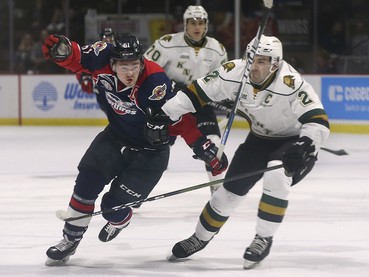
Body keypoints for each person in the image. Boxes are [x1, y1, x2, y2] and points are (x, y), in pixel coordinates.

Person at [41, 33, 228, 266]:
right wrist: (64, 51)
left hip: (151, 154)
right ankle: (69, 241)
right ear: (113, 63)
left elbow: (178, 118)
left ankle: (120, 220)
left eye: (134, 65)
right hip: (116, 137)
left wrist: (202, 144)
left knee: (111, 209)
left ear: (141, 62)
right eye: (123, 66)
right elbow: (76, 57)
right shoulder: (101, 56)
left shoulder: (154, 81)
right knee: (85, 184)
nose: (130, 72)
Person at [158, 35, 330, 269]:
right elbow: (196, 92)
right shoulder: (234, 72)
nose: (253, 67)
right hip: (258, 140)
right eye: (251, 59)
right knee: (226, 194)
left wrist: (306, 145)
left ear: (275, 64)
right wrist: (164, 113)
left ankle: (263, 238)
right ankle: (200, 237)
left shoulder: (291, 83)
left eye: (261, 61)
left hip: (292, 143)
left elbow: (318, 120)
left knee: (275, 175)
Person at [144, 5, 228, 194]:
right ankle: (139, 188)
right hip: (170, 104)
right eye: (192, 23)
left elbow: (223, 81)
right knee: (156, 150)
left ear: (206, 25)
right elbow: (144, 70)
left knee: (213, 144)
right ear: (185, 24)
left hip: (200, 104)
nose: (197, 27)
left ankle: (217, 192)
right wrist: (165, 84)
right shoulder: (166, 44)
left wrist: (226, 97)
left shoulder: (217, 50)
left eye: (201, 23)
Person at [76, 27, 116, 94]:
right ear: (101, 38)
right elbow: (82, 62)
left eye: (110, 37)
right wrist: (85, 76)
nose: (108, 39)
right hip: (103, 88)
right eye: (105, 37)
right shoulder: (95, 50)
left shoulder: (118, 49)